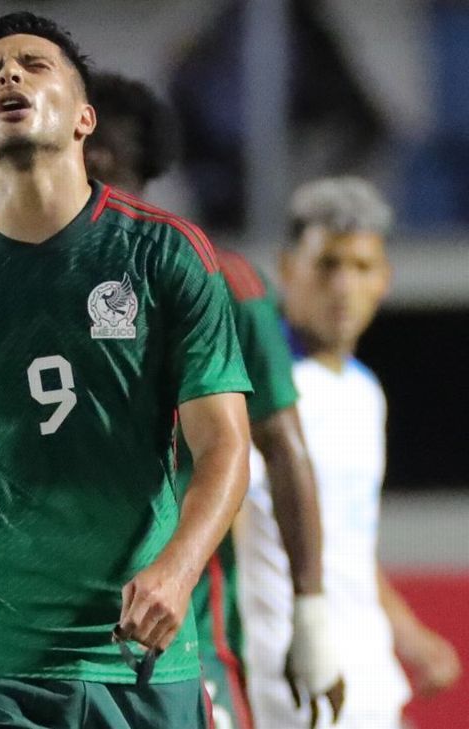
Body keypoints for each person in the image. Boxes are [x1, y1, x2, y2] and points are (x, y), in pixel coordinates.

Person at [0, 12, 254, 728]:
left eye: (35, 65)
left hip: (139, 652)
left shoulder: (166, 255)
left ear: (83, 120)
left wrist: (178, 568)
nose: (9, 74)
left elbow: (224, 443)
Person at [85, 71, 345, 729]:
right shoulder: (21, 280)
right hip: (36, 640)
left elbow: (281, 447)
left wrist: (311, 611)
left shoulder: (218, 281)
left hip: (178, 636)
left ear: (97, 150)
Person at [237, 177, 462, 728]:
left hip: (371, 672)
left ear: (384, 280)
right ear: (287, 268)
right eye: (327, 265)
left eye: (362, 268)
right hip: (289, 677)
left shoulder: (365, 393)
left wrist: (408, 633)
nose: (343, 286)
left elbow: (344, 541)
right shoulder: (254, 393)